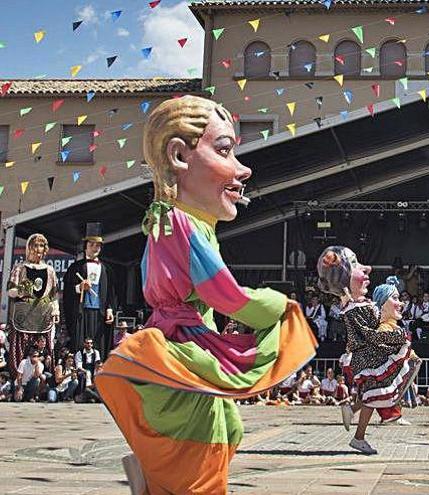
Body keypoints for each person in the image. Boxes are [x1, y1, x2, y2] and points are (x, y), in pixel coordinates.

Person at [94, 96, 317, 494]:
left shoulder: (169, 220)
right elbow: (225, 295)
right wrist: (282, 308)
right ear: (179, 156)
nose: (242, 169)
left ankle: (151, 473)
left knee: (223, 427)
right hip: (185, 348)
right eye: (225, 151)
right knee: (207, 442)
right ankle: (155, 474)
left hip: (177, 343)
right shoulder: (185, 226)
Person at [317, 253, 420, 455]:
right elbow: (371, 335)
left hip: (370, 356)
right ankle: (360, 435)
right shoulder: (355, 308)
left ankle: (356, 423)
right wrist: (398, 337)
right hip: (369, 357)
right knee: (374, 396)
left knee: (372, 396)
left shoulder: (359, 305)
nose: (368, 269)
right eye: (356, 265)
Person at [6, 234, 60, 377]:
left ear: (45, 249)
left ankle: (41, 385)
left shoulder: (50, 270)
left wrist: (56, 311)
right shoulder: (20, 268)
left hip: (42, 318)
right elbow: (9, 291)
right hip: (23, 319)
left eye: (41, 246)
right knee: (21, 352)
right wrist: (20, 290)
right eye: (35, 245)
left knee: (43, 351)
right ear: (29, 248)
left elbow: (54, 295)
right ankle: (18, 384)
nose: (38, 249)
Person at [62, 223, 117, 360]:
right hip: (81, 313)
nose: (95, 248)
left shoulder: (107, 270)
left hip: (100, 313)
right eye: (91, 245)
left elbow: (112, 293)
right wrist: (79, 287)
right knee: (81, 345)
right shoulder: (75, 268)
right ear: (85, 246)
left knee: (99, 344)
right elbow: (67, 292)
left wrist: (110, 309)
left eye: (98, 245)